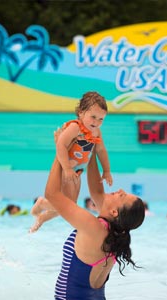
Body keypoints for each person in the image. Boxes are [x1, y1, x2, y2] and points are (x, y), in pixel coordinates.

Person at [44, 137, 145, 299]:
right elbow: (96, 191)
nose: (119, 190)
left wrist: (60, 151)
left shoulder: (94, 227)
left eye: (122, 195)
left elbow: (51, 194)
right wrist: (90, 148)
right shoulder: (113, 233)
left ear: (114, 212)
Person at [30, 91, 113, 233]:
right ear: (81, 113)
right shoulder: (75, 128)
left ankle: (43, 217)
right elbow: (61, 145)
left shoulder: (97, 132)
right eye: (93, 117)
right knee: (68, 205)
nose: (96, 122)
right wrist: (67, 168)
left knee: (71, 205)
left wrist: (106, 170)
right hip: (66, 169)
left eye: (101, 119)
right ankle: (42, 203)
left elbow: (101, 151)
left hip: (78, 171)